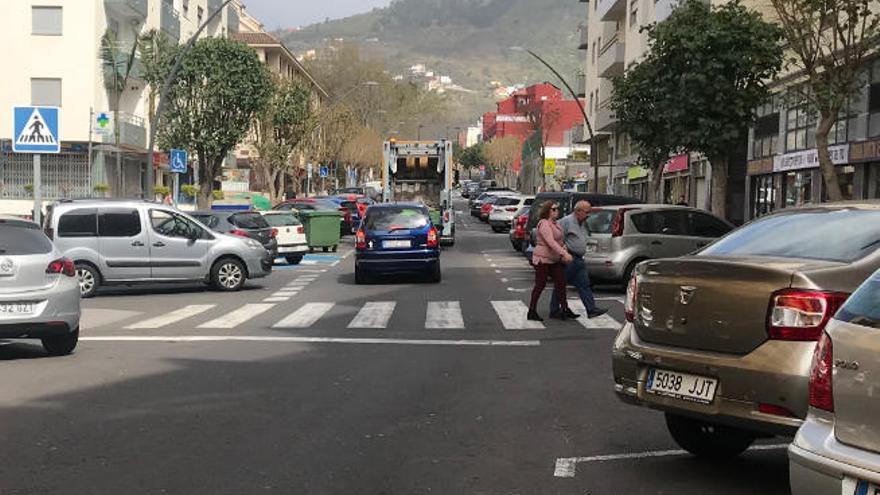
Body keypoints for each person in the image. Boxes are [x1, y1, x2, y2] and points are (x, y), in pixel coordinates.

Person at [549, 201, 608, 319]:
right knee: (561, 285)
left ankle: (591, 309)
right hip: (569, 258)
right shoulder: (567, 221)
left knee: (584, 285)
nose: (588, 215)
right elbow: (555, 235)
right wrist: (562, 249)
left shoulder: (582, 223)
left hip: (579, 259)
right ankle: (554, 310)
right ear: (578, 211)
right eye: (587, 212)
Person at [527, 201, 577, 322]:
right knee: (540, 284)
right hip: (542, 259)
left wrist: (563, 247)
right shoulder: (544, 224)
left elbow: (559, 240)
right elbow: (550, 242)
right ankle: (532, 311)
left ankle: (565, 309)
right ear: (547, 211)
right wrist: (564, 253)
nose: (557, 211)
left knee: (561, 282)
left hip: (554, 259)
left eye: (557, 209)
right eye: (554, 209)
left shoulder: (555, 224)